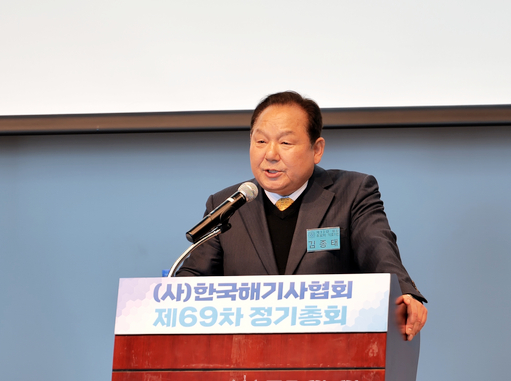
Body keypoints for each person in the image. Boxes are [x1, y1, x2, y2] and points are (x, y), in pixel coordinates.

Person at [176, 91, 427, 341]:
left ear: (316, 149)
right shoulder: (228, 205)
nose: (270, 154)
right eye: (260, 141)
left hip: (332, 348)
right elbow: (192, 282)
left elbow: (378, 251)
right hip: (244, 351)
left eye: (285, 143)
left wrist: (405, 293)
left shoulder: (352, 193)